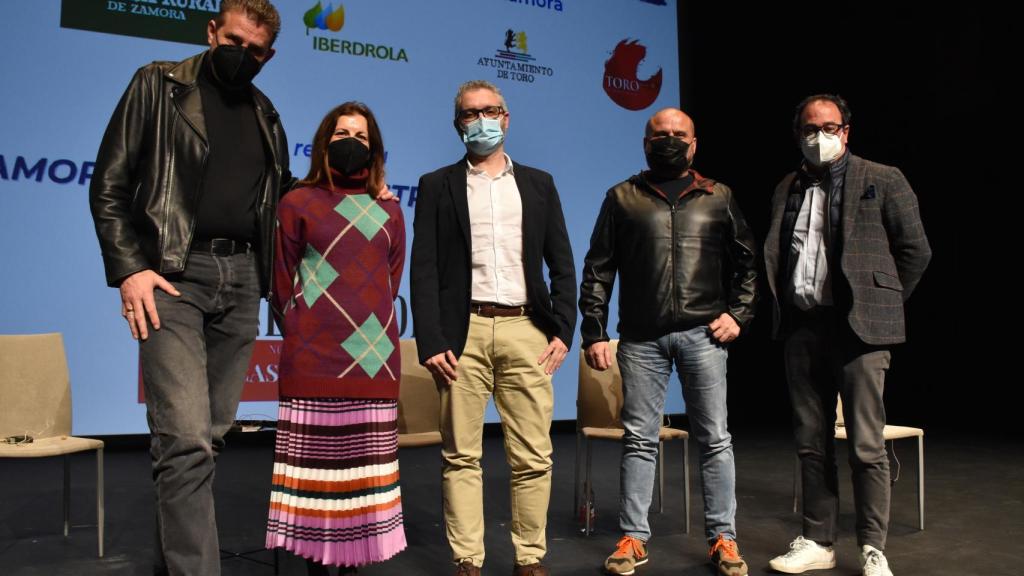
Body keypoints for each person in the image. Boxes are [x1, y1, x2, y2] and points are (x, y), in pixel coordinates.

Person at [88, 1, 290, 573]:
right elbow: (109, 184)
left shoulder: (265, 112)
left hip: (244, 278)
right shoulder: (158, 84)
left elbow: (279, 199)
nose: (240, 55)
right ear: (210, 30)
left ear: (267, 56)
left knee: (206, 441)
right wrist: (129, 269)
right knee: (186, 441)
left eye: (254, 51)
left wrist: (359, 195)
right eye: (232, 40)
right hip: (172, 277)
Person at [579, 108, 757, 576]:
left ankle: (724, 538)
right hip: (641, 338)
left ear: (694, 144)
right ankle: (633, 538)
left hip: (704, 335)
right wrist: (594, 331)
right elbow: (598, 269)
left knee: (715, 438)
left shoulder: (718, 196)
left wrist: (738, 314)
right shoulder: (622, 197)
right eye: (661, 134)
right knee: (640, 439)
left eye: (679, 135)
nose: (670, 141)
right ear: (645, 142)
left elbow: (748, 265)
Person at [409, 80, 576, 576]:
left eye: (489, 111)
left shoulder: (539, 183)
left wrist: (563, 329)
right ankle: (469, 560)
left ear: (505, 118)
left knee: (534, 456)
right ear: (457, 124)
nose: (480, 120)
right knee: (461, 456)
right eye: (469, 113)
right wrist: (432, 339)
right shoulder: (438, 184)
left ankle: (529, 558)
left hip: (526, 328)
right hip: (464, 336)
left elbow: (561, 263)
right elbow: (425, 269)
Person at [764, 94, 931, 576]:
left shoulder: (883, 178)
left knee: (864, 444)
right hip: (803, 327)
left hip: (859, 330)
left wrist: (883, 302)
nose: (821, 136)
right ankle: (818, 540)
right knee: (811, 442)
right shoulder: (786, 186)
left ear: (847, 131)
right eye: (811, 128)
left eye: (830, 127)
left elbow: (916, 251)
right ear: (798, 134)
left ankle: (872, 546)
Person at [265, 101, 407, 576]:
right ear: (324, 142)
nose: (351, 142)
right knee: (314, 484)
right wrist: (308, 327)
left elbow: (391, 279)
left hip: (373, 360)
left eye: (361, 136)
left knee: (362, 484)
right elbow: (282, 282)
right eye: (342, 133)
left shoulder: (389, 210)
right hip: (311, 357)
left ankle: (351, 568)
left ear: (375, 149)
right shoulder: (297, 202)